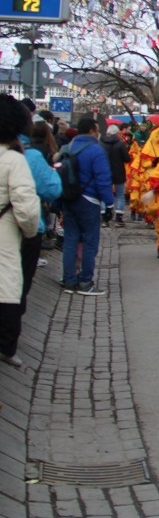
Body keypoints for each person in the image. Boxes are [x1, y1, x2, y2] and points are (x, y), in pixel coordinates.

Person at [0, 97, 49, 368]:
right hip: (5, 242)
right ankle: (7, 348)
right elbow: (28, 212)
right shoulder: (13, 160)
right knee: (8, 302)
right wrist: (30, 233)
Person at [60, 117, 114, 295]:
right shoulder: (95, 150)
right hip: (89, 200)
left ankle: (69, 280)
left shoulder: (67, 148)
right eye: (97, 129)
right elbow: (103, 179)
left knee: (70, 241)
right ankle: (85, 282)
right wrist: (109, 203)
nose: (98, 133)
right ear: (92, 130)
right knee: (90, 242)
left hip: (68, 199)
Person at [102, 124, 131, 225]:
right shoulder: (120, 144)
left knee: (105, 194)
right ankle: (119, 218)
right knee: (120, 195)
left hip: (105, 172)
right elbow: (127, 159)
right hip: (118, 172)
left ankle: (104, 218)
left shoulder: (102, 144)